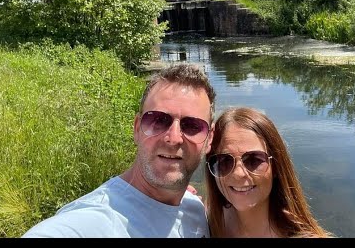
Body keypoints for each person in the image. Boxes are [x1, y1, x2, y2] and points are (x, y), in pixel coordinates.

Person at [23, 63, 216, 238]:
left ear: (210, 139)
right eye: (157, 121)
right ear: (136, 128)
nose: (173, 138)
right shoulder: (95, 220)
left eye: (192, 126)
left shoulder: (195, 208)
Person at [205, 107, 331, 238]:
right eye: (224, 161)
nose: (238, 173)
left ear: (276, 166)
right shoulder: (206, 218)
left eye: (254, 160)